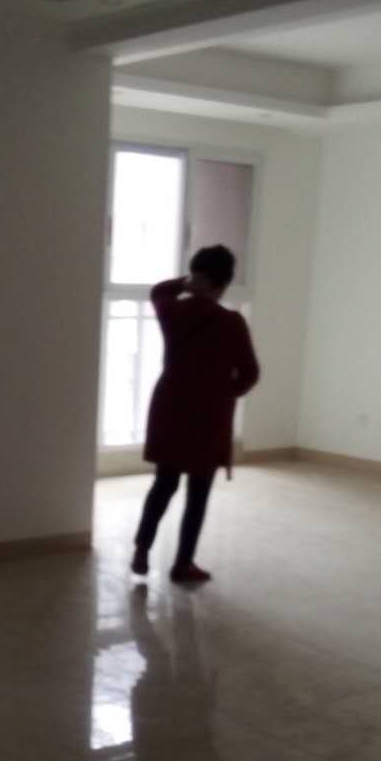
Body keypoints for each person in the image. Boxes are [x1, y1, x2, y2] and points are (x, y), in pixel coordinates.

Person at [131, 244, 260, 583]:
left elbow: (159, 291)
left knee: (164, 484)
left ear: (197, 276)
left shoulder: (174, 312)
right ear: (225, 283)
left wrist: (186, 283)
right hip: (208, 417)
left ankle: (142, 548)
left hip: (171, 408)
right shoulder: (231, 323)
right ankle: (183, 564)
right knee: (198, 493)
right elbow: (250, 373)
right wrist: (225, 392)